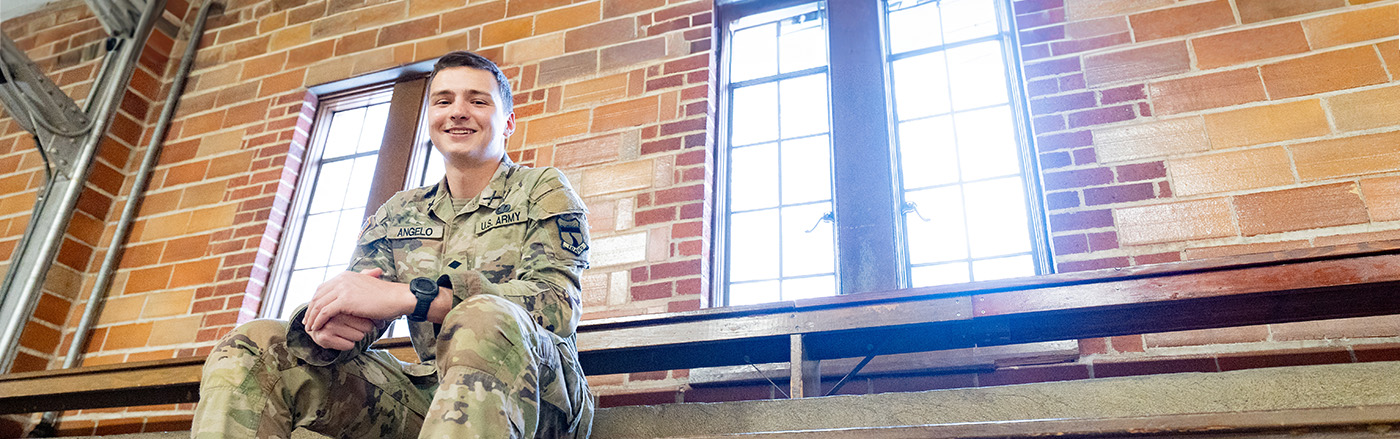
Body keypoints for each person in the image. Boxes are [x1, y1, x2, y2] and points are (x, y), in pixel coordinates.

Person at [192, 51, 594, 439]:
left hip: (539, 397)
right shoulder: (400, 212)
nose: (457, 110)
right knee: (257, 344)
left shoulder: (543, 188)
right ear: (431, 119)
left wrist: (413, 298)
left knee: (486, 317)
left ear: (507, 122)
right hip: (433, 398)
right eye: (443, 100)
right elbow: (360, 299)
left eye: (477, 100)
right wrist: (327, 325)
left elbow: (555, 307)